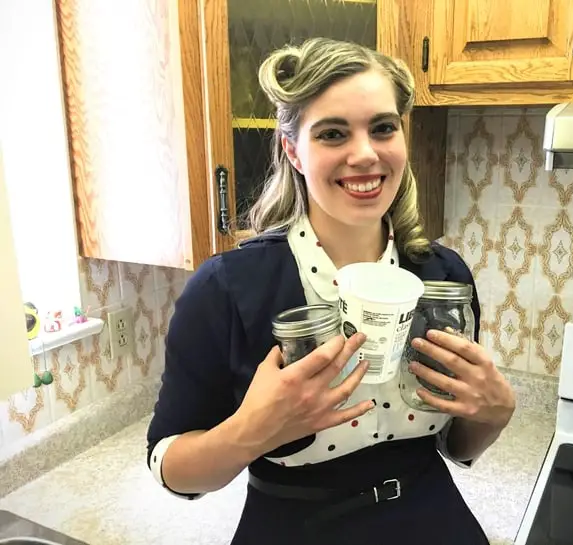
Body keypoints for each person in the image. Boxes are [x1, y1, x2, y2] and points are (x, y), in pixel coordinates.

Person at [146, 37, 516, 545]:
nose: (364, 154)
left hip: (433, 518)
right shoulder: (226, 289)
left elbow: (457, 444)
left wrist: (493, 414)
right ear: (293, 150)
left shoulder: (444, 278)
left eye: (383, 128)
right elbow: (169, 465)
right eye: (333, 133)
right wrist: (253, 430)